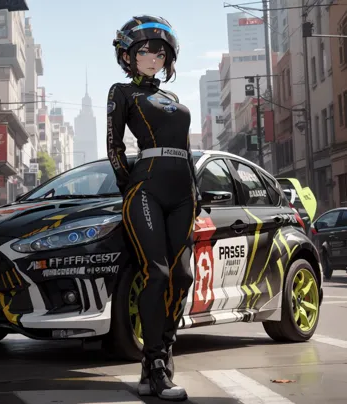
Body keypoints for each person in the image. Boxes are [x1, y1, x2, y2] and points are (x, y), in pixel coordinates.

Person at [107, 15, 201, 401]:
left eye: (158, 52)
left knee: (182, 277)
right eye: (143, 50)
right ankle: (158, 365)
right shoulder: (122, 92)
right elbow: (114, 148)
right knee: (157, 273)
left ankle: (158, 355)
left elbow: (189, 151)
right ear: (127, 56)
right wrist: (130, 184)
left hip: (184, 191)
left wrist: (197, 194)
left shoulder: (173, 100)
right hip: (145, 188)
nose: (151, 57)